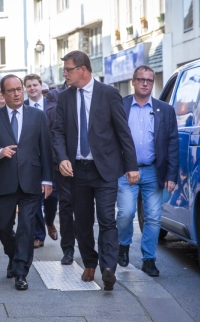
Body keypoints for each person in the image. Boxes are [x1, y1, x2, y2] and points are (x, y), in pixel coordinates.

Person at [52, 51, 138, 291]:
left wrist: (131, 166)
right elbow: (57, 132)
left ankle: (108, 268)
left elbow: (123, 132)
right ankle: (89, 262)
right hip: (76, 170)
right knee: (82, 221)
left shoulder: (109, 94)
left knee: (107, 218)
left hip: (105, 169)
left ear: (83, 69)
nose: (65, 73)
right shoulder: (64, 97)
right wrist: (61, 158)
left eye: (68, 69)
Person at [0, 74, 53, 291]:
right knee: (3, 227)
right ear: (2, 93)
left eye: (19, 89)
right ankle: (13, 255)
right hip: (4, 181)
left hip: (31, 181)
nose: (17, 93)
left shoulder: (37, 116)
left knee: (26, 228)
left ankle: (21, 271)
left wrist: (47, 179)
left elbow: (46, 150)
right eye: (11, 91)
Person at [116, 65, 178, 277]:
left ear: (153, 83)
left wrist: (171, 174)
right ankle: (123, 245)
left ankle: (148, 259)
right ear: (133, 81)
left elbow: (172, 144)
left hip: (153, 171)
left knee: (153, 218)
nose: (145, 83)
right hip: (125, 172)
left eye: (149, 80)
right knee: (125, 213)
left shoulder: (165, 110)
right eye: (141, 79)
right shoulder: (120, 106)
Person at [24, 74, 58, 248]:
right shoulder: (22, 108)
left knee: (53, 196)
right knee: (35, 197)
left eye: (35, 85)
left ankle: (49, 220)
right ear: (25, 88)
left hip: (53, 158)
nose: (32, 88)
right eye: (28, 86)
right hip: (33, 160)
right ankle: (39, 235)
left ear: (41, 86)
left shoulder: (52, 106)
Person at [45, 80, 75, 265]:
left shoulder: (93, 93)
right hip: (62, 160)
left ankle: (86, 243)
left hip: (88, 160)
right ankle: (68, 249)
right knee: (66, 205)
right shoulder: (55, 95)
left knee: (86, 207)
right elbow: (52, 119)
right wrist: (71, 99)